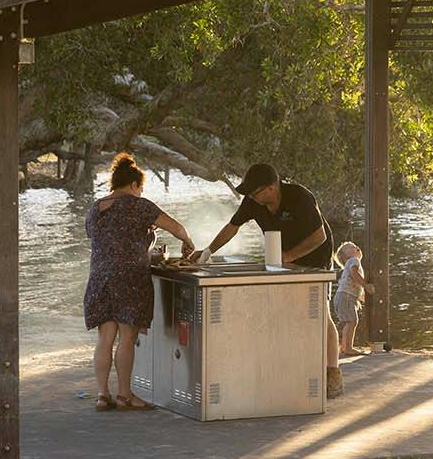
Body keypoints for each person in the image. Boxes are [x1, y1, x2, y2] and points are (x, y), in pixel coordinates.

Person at [206, 162, 345, 397]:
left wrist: (289, 256)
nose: (251, 196)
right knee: (284, 311)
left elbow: (319, 236)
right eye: (249, 193)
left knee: (320, 313)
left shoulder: (299, 197)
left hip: (314, 258)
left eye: (256, 191)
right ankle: (292, 366)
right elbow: (233, 227)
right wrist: (207, 252)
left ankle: (333, 372)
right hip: (280, 260)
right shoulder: (253, 202)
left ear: (272, 187)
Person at [83, 152, 195, 411]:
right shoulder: (141, 206)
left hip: (100, 278)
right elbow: (176, 228)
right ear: (134, 185)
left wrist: (145, 239)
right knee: (127, 337)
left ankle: (102, 395)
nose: (141, 193)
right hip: (130, 279)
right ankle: (124, 396)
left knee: (105, 337)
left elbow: (103, 237)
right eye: (141, 188)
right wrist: (188, 243)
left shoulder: (96, 207)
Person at [333, 240, 367, 356]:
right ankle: (348, 348)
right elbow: (354, 274)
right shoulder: (353, 261)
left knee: (348, 322)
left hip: (341, 296)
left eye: (355, 246)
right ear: (345, 255)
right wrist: (366, 285)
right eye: (351, 247)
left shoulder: (350, 263)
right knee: (352, 321)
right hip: (346, 296)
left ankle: (344, 347)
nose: (356, 247)